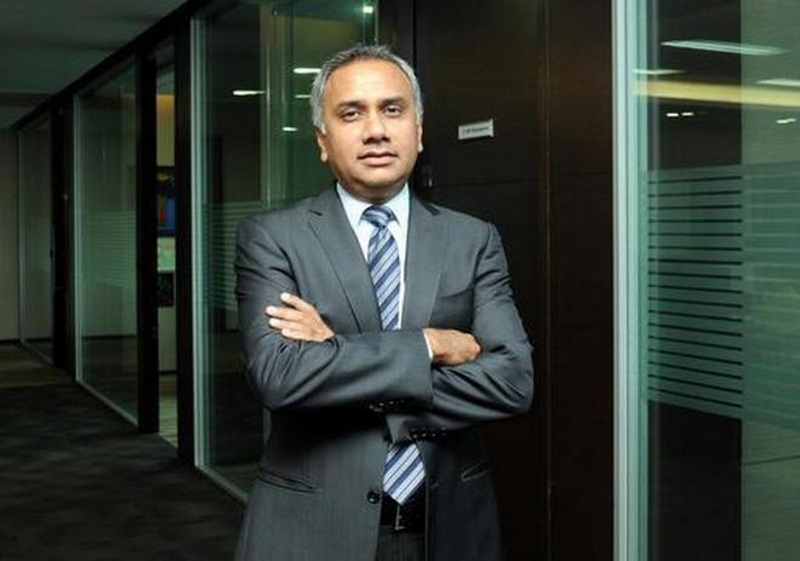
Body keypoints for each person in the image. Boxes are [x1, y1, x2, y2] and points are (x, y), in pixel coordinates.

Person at [233, 44, 533, 561]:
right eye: (351, 114)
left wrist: (336, 351)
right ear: (323, 140)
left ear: (418, 129)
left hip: (450, 526)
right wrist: (428, 346)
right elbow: (279, 377)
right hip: (313, 528)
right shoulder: (272, 238)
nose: (375, 130)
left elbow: (512, 383)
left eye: (392, 109)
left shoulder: (473, 239)